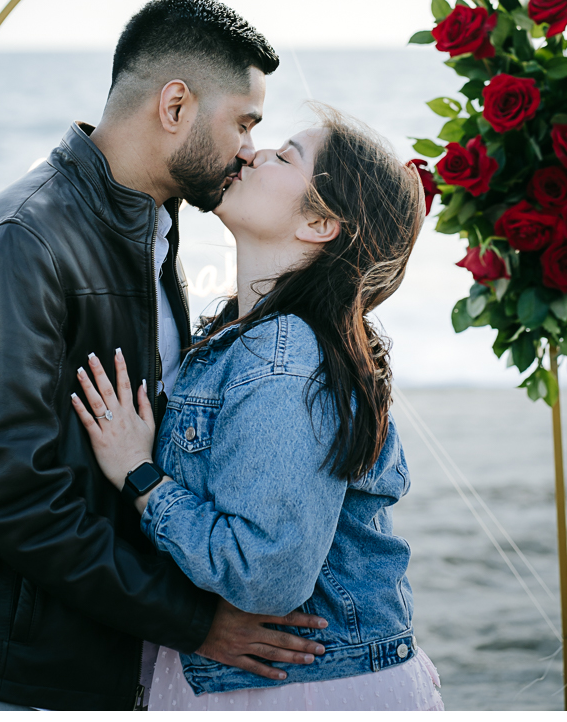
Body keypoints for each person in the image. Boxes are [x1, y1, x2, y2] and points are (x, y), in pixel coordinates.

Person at [0, 0, 330, 712]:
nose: (251, 148)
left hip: (104, 658)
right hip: (13, 678)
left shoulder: (151, 232)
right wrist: (195, 623)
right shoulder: (21, 242)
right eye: (244, 122)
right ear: (175, 106)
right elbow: (12, 494)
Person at [71, 109, 446, 711]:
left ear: (320, 222)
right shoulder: (242, 337)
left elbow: (265, 574)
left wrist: (140, 476)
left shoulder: (287, 354)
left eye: (286, 155)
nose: (252, 154)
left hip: (304, 690)